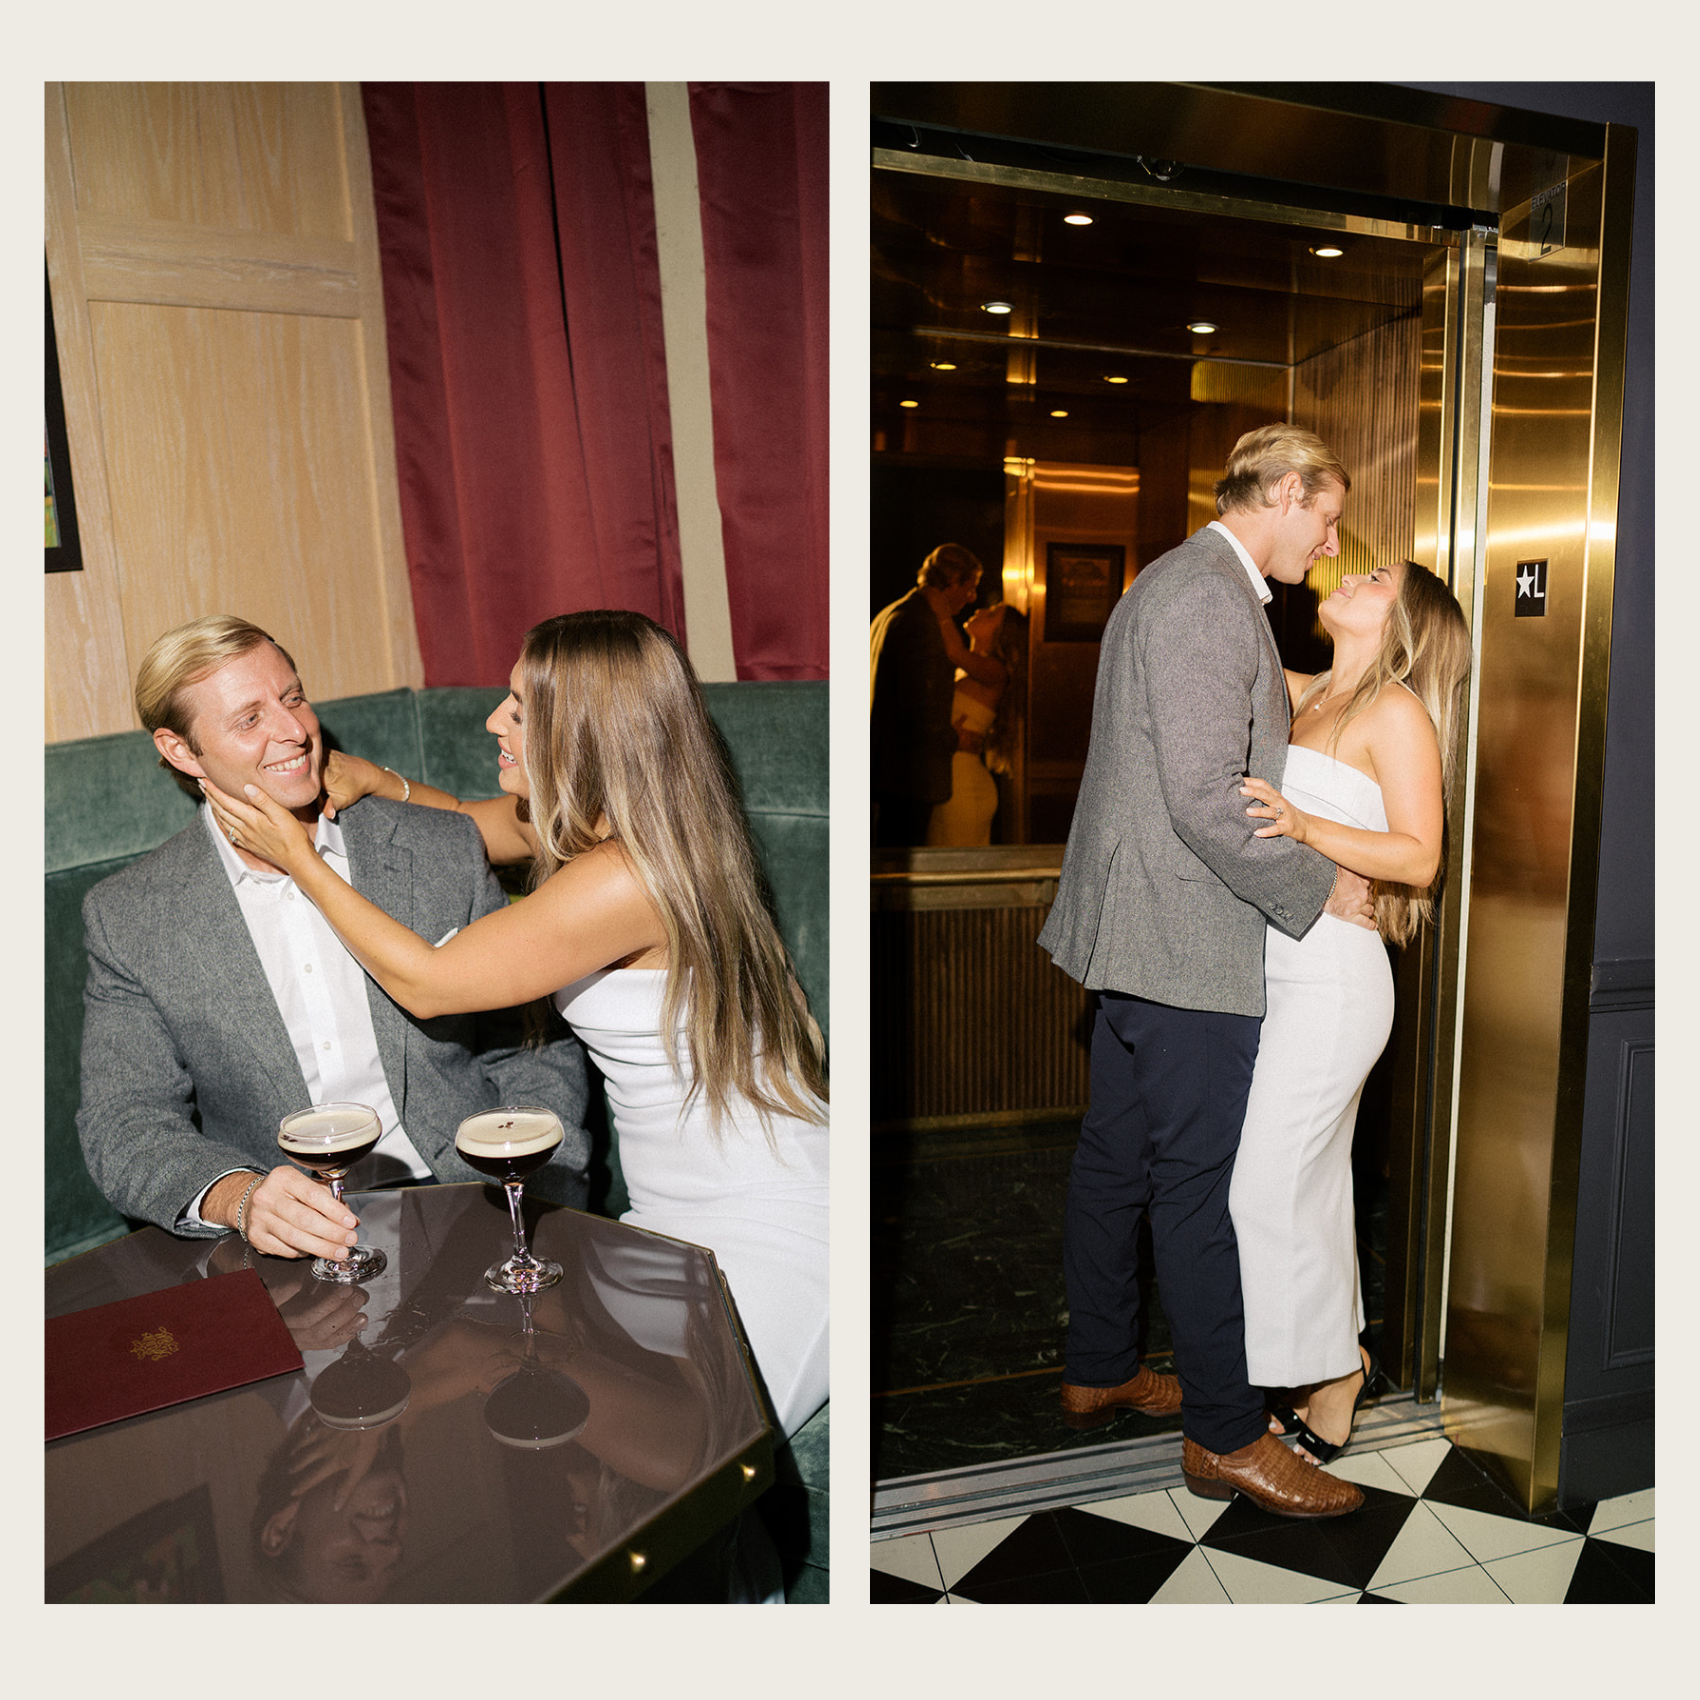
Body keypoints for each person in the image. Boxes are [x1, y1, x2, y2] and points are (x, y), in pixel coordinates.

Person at [204, 609, 829, 1442]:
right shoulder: (623, 827)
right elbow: (469, 817)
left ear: (587, 732)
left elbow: (425, 985)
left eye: (520, 709)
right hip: (671, 1217)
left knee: (689, 1450)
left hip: (771, 1222)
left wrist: (301, 861)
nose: (494, 720)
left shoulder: (626, 877)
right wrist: (372, 781)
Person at [1036, 424, 1375, 1520]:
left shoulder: (1183, 583)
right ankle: (1225, 1435)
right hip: (1178, 941)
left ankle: (1099, 1360)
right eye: (1322, 517)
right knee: (1195, 1188)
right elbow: (1197, 792)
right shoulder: (1203, 595)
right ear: (1280, 493)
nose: (1325, 544)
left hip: (1134, 933)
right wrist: (1315, 886)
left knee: (1116, 1155)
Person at [77, 616, 593, 1264]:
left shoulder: (439, 847)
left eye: (293, 698)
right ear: (181, 750)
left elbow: (531, 1051)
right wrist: (242, 1199)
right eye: (249, 720)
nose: (293, 731)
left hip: (475, 1210)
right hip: (290, 1248)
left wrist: (537, 1197)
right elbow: (123, 1124)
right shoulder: (131, 917)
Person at [1233, 558, 1471, 1463]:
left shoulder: (1395, 709)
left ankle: (1323, 1369)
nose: (1347, 571)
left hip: (1333, 983)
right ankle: (1336, 1370)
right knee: (1316, 1191)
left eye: (1374, 576)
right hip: (1267, 973)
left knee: (1265, 1186)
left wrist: (1305, 829)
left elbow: (1418, 857)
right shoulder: (1299, 688)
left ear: (1403, 620)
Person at [870, 543, 983, 845]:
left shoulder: (891, 612)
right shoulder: (923, 625)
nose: (972, 598)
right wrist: (953, 737)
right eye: (970, 587)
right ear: (952, 581)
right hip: (909, 778)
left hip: (888, 774)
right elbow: (919, 709)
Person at [926, 601, 1029, 847]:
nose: (981, 610)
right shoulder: (968, 672)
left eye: (992, 614)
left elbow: (954, 652)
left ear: (1000, 633)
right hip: (951, 780)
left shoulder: (996, 671)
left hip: (963, 786)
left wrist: (940, 607)